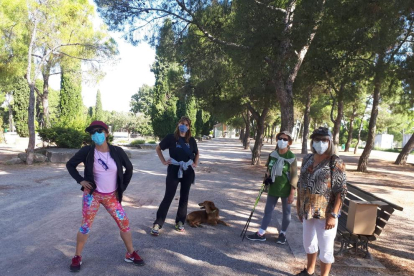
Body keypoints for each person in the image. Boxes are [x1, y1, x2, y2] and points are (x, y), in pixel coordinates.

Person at [66, 121, 144, 272]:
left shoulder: (117, 151)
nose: (96, 134)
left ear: (107, 133)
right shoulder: (87, 151)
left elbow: (129, 168)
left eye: (99, 131)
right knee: (85, 226)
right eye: (92, 132)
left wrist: (121, 188)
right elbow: (70, 165)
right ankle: (77, 256)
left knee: (124, 223)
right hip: (92, 196)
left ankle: (130, 253)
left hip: (111, 197)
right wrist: (80, 180)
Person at [295, 127, 347, 276]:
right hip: (307, 210)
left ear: (330, 142)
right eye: (317, 139)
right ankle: (309, 270)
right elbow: (301, 183)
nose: (320, 143)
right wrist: (299, 206)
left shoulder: (335, 161)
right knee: (308, 243)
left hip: (325, 213)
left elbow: (341, 191)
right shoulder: (308, 158)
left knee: (326, 249)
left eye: (324, 140)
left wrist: (333, 214)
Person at [151, 116, 200, 236]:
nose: (184, 126)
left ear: (189, 127)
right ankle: (158, 222)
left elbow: (196, 152)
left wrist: (195, 163)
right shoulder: (171, 138)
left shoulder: (192, 140)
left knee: (184, 197)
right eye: (182, 123)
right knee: (169, 196)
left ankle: (180, 222)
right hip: (174, 169)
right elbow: (158, 148)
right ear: (178, 124)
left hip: (187, 170)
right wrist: (163, 161)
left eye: (187, 124)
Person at [247, 131, 298, 244]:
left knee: (286, 212)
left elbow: (294, 176)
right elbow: (269, 170)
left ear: (289, 142)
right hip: (273, 188)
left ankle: (282, 234)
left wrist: (292, 193)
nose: (282, 141)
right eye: (280, 138)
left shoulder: (291, 157)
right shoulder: (273, 154)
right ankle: (261, 233)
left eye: (285, 139)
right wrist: (267, 179)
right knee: (267, 211)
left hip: (286, 189)